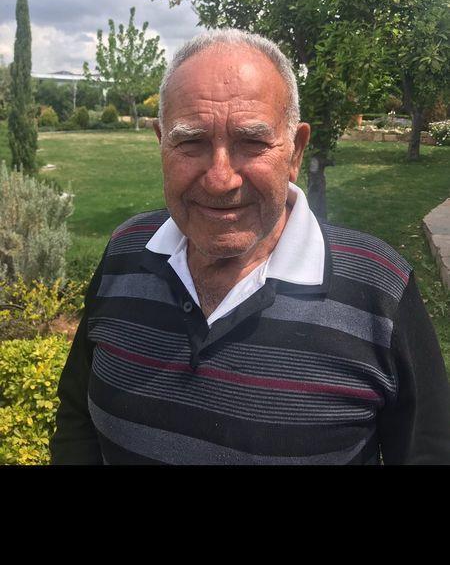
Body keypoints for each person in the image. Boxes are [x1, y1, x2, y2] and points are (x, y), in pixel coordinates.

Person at [50, 29, 450, 465]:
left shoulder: (380, 289)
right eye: (191, 142)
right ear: (161, 143)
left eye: (253, 142)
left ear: (295, 151)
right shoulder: (126, 251)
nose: (220, 179)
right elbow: (77, 418)